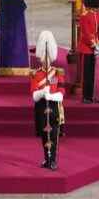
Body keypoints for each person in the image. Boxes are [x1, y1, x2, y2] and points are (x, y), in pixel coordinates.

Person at [31, 31, 65, 170]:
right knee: (45, 136)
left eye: (48, 58)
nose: (46, 61)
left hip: (54, 107)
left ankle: (53, 159)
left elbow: (62, 93)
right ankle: (47, 158)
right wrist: (41, 93)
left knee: (54, 135)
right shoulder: (36, 74)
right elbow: (33, 95)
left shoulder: (57, 73)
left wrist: (51, 95)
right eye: (44, 59)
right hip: (41, 108)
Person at [78, 0, 99, 104]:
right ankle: (86, 96)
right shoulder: (85, 15)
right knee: (87, 74)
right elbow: (86, 34)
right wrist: (94, 46)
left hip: (93, 47)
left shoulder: (97, 13)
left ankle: (90, 95)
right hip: (86, 48)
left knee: (92, 73)